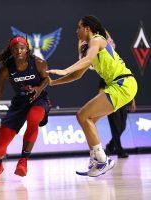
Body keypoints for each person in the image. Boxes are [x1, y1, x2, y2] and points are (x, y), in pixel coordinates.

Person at [47, 15, 137, 177]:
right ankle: (96, 158)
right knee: (89, 121)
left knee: (82, 115)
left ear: (87, 28)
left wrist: (64, 69)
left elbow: (87, 59)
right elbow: (77, 75)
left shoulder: (98, 40)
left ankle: (103, 160)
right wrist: (54, 83)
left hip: (122, 84)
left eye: (78, 27)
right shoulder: (90, 48)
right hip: (120, 85)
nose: (76, 31)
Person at [0, 35, 51, 180]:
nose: (19, 51)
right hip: (19, 104)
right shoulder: (5, 70)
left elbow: (47, 79)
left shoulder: (39, 63)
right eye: (15, 49)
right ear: (11, 50)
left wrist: (39, 88)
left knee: (33, 119)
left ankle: (23, 161)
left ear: (27, 48)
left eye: (22, 48)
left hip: (38, 100)